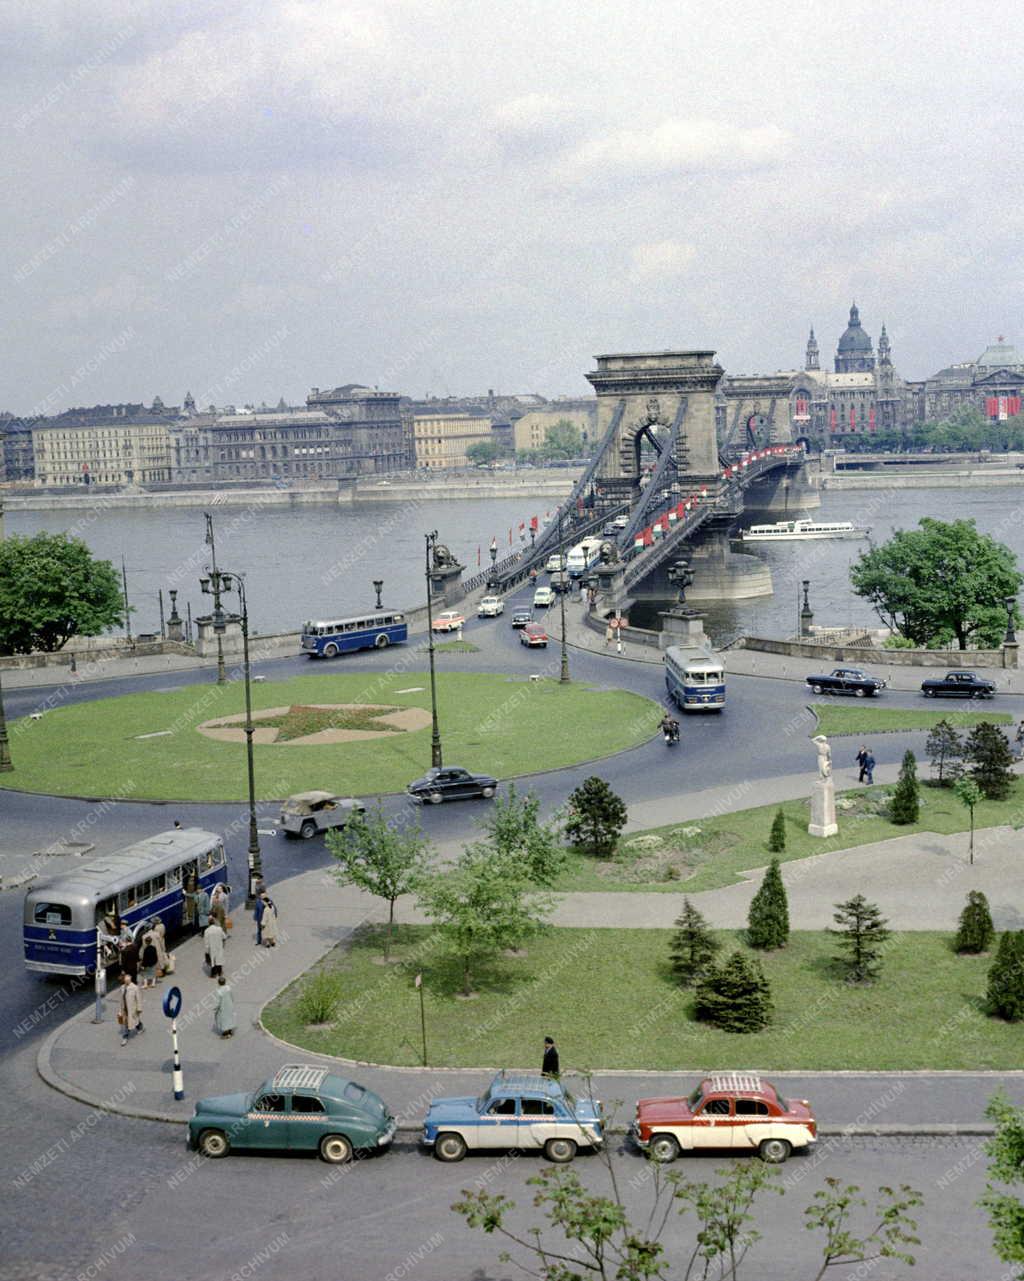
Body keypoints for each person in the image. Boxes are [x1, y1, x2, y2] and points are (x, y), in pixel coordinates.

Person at [118, 972, 143, 1047]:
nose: (126, 981)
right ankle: (125, 1037)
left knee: (135, 1021)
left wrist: (139, 1008)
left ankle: (140, 1027)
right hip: (124, 1009)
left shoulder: (135, 988)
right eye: (125, 980)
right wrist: (119, 1010)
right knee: (127, 1023)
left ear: (130, 980)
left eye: (128, 980)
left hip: (132, 1009)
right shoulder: (122, 987)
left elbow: (139, 999)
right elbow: (121, 1000)